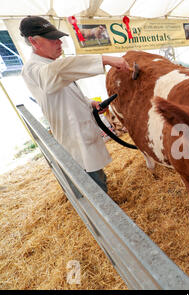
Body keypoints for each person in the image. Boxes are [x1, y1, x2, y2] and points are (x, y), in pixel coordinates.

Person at [20, 16, 130, 194]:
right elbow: (58, 72)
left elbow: (65, 93)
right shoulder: (33, 69)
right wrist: (103, 59)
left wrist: (90, 103)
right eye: (52, 38)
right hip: (73, 140)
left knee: (98, 177)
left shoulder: (50, 65)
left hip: (82, 133)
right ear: (33, 41)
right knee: (91, 186)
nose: (59, 42)